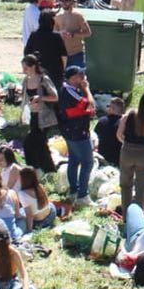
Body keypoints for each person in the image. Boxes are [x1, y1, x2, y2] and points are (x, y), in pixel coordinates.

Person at [57, 64, 96, 207]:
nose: (83, 78)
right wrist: (87, 89)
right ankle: (82, 195)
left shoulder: (69, 90)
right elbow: (90, 104)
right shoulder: (71, 91)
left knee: (73, 160)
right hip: (77, 132)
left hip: (70, 131)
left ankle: (74, 190)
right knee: (87, 162)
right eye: (81, 75)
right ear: (73, 78)